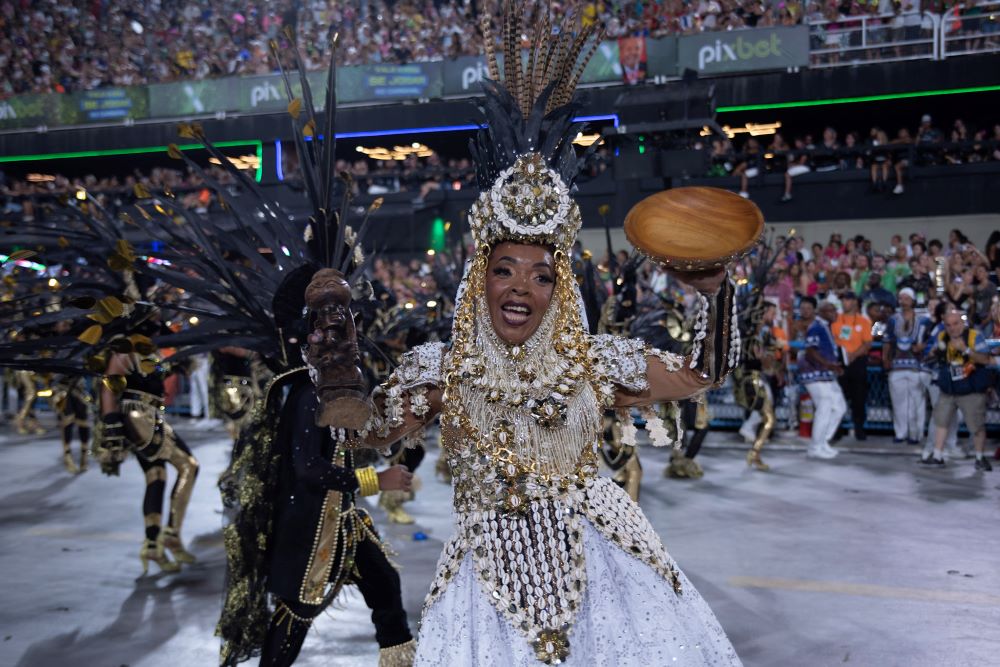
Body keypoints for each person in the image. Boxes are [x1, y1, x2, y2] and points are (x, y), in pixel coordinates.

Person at [363, 9, 744, 664]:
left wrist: (715, 293)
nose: (520, 288)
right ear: (478, 279)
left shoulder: (593, 363)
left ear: (560, 290)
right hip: (485, 591)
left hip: (605, 572)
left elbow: (703, 372)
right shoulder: (443, 371)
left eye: (541, 275)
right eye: (504, 269)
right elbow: (357, 433)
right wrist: (329, 367)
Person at [94, 313, 200, 574]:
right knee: (189, 465)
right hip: (138, 415)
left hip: (150, 414)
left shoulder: (149, 348)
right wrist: (111, 424)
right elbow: (109, 385)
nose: (156, 318)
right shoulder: (126, 345)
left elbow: (161, 374)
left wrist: (178, 362)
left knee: (156, 475)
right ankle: (171, 534)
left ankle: (152, 545)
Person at [924, 310, 993, 470]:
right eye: (948, 325)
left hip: (971, 388)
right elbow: (933, 355)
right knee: (941, 421)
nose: (952, 328)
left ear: (962, 323)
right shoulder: (942, 336)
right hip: (949, 388)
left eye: (955, 324)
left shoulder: (975, 336)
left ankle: (979, 458)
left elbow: (985, 359)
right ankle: (937, 456)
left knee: (976, 425)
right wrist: (934, 353)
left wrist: (966, 349)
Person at [799, 300, 846, 458]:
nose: (834, 313)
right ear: (821, 312)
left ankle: (822, 442)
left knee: (839, 407)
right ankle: (815, 448)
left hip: (826, 375)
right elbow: (810, 351)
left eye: (835, 310)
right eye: (830, 310)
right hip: (815, 374)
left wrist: (833, 366)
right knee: (824, 408)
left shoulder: (826, 327)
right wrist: (829, 364)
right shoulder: (816, 327)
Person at [883, 288, 927, 444]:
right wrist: (885, 359)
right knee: (898, 402)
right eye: (901, 298)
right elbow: (887, 341)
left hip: (917, 366)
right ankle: (900, 433)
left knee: (917, 402)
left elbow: (930, 339)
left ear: (913, 300)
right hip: (897, 365)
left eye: (906, 298)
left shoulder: (923, 319)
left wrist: (923, 346)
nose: (903, 301)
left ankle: (915, 434)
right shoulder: (893, 319)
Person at [832, 292, 872, 440]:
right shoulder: (836, 320)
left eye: (848, 300)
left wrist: (853, 355)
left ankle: (859, 427)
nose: (845, 303)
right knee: (838, 396)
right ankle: (837, 428)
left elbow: (868, 343)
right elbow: (833, 340)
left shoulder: (864, 321)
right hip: (840, 362)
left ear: (855, 302)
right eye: (843, 299)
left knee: (858, 398)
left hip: (857, 363)